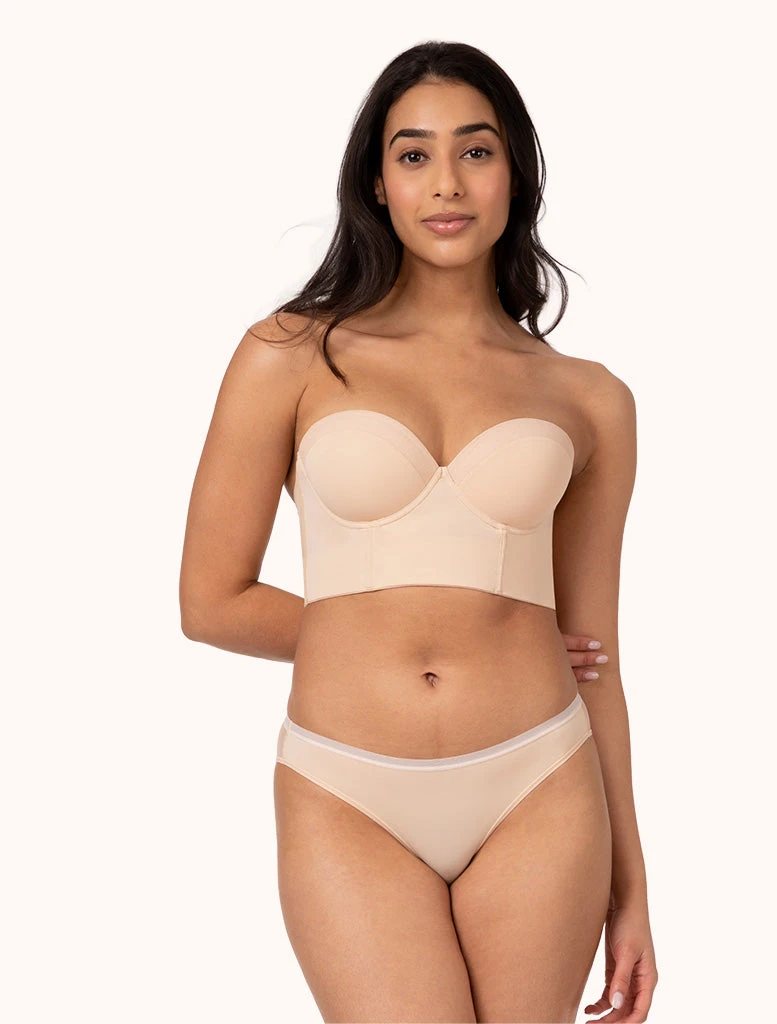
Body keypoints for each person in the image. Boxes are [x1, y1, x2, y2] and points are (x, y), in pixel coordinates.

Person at [180, 40, 657, 1024]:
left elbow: (595, 656)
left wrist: (633, 888)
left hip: (541, 779)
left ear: (514, 172)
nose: (446, 182)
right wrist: (367, 630)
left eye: (475, 151)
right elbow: (209, 601)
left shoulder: (589, 398)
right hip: (346, 789)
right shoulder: (289, 353)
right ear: (377, 180)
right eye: (413, 154)